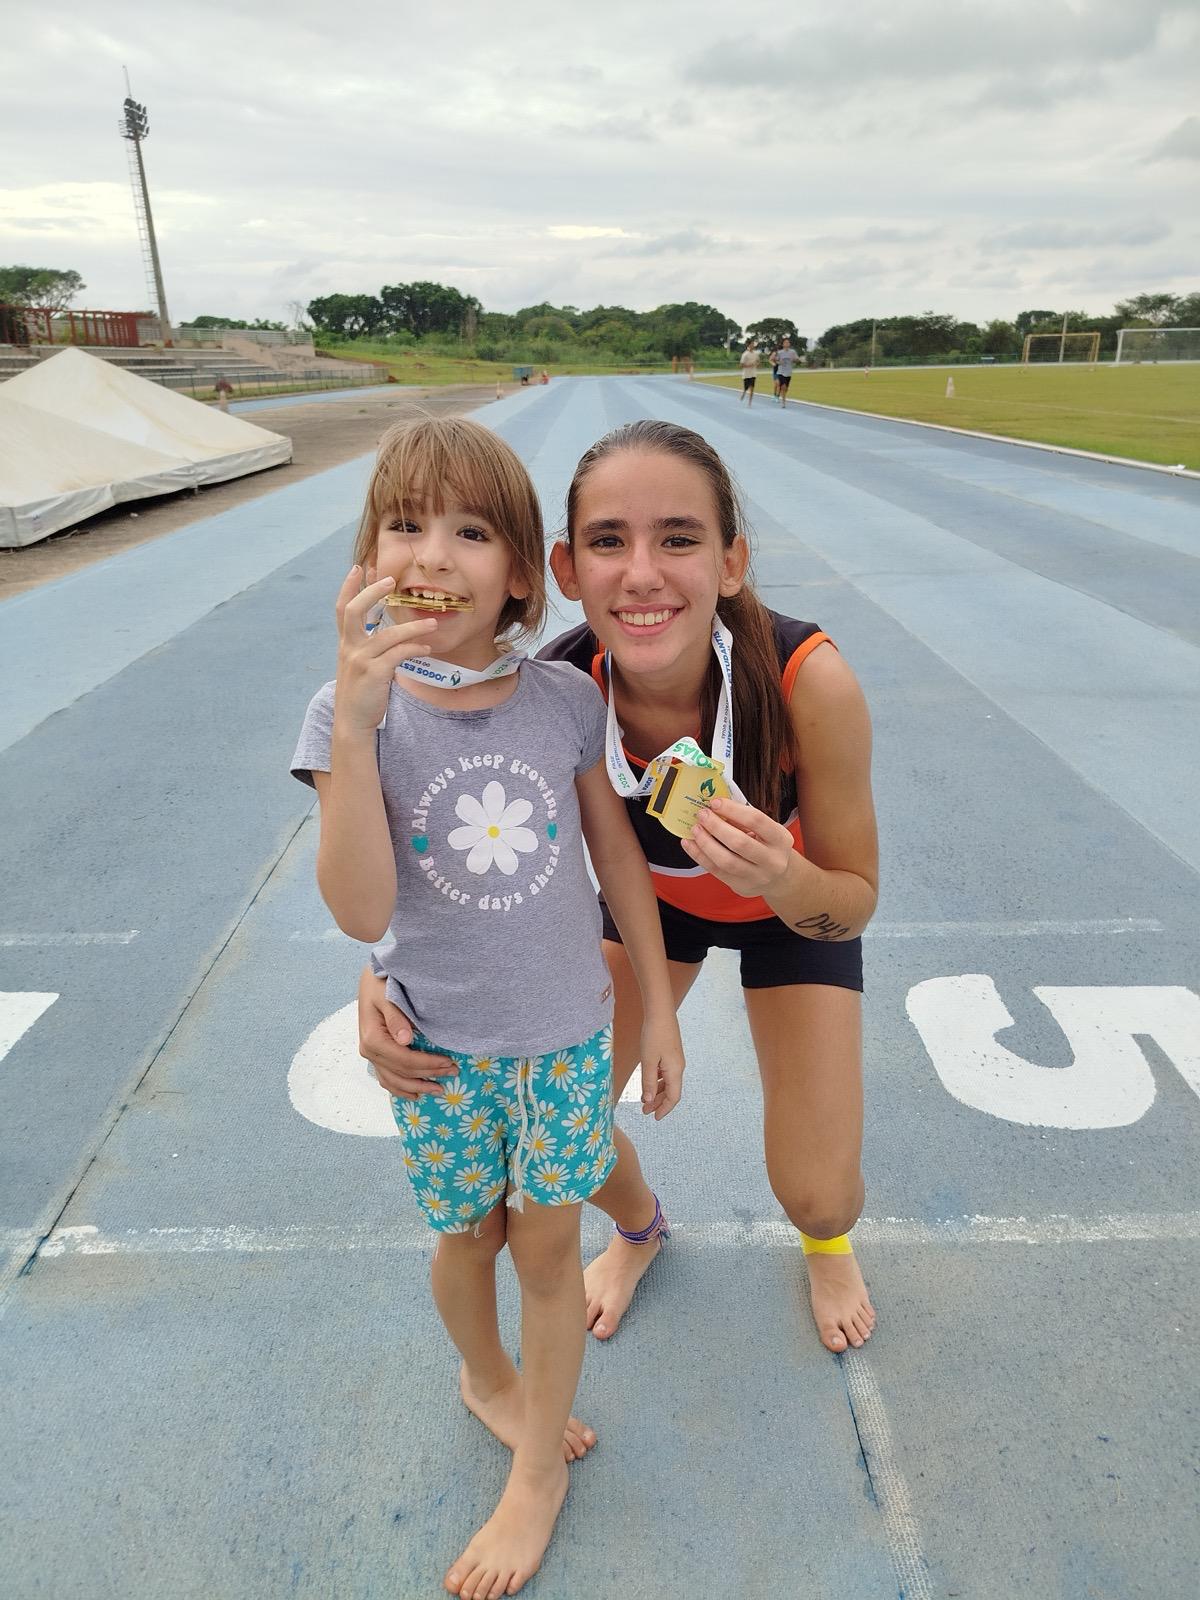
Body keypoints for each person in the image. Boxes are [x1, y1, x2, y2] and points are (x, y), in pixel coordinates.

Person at [358, 419, 879, 1360]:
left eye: (678, 538)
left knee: (818, 1191)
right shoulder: (554, 692)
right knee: (561, 1129)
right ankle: (642, 1229)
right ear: (563, 568)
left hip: (791, 922)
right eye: (609, 542)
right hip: (657, 913)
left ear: (732, 561)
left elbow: (850, 903)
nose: (641, 574)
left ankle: (826, 1243)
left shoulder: (809, 682)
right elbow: (455, 873)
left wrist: (784, 876)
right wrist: (380, 980)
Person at [291, 416, 685, 1600]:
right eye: (403, 524)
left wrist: (656, 1007)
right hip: (441, 1054)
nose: (432, 553)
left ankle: (536, 1480)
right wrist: (360, 726)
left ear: (522, 572)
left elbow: (619, 864)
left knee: (549, 1244)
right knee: (467, 1237)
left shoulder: (564, 698)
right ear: (366, 560)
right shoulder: (344, 715)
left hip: (564, 1039)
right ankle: (484, 1374)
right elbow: (363, 911)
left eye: (470, 530)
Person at [772, 336, 801, 406]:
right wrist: (779, 362)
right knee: (783, 386)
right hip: (781, 372)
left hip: (788, 372)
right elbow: (775, 360)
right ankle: (783, 403)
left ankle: (782, 396)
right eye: (785, 342)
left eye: (788, 342)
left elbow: (797, 360)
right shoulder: (780, 352)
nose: (787, 343)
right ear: (783, 344)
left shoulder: (792, 352)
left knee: (786, 388)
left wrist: (795, 360)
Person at [739, 338, 760, 406]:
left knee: (752, 388)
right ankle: (744, 393)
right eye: (752, 344)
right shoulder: (745, 354)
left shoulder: (756, 354)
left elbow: (758, 362)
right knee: (746, 388)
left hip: (753, 374)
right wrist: (749, 365)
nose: (753, 345)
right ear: (748, 345)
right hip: (746, 374)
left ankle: (750, 402)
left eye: (753, 344)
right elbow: (741, 365)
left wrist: (757, 364)